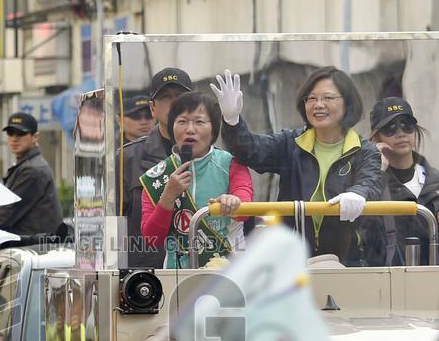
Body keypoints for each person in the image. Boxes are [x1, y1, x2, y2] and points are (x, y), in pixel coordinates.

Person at [213, 67, 383, 262]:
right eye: (311, 98)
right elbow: (250, 150)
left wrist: (358, 193)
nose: (318, 105)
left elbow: (370, 182)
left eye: (328, 98)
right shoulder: (291, 143)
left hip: (347, 259)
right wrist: (232, 120)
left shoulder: (364, 151)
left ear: (347, 103)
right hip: (292, 259)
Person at [140, 91, 254, 268]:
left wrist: (233, 202)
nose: (190, 129)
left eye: (199, 122)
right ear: (171, 128)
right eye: (182, 122)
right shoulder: (156, 176)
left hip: (229, 271)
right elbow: (151, 239)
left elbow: (245, 208)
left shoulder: (231, 164)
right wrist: (168, 197)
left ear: (214, 129)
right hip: (177, 277)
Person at [363, 97, 439, 265]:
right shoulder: (368, 184)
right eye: (390, 128)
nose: (401, 133)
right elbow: (367, 242)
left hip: (431, 282)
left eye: (407, 125)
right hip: (385, 281)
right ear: (376, 138)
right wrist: (377, 172)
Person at [118, 68, 193, 269]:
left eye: (181, 96)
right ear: (153, 108)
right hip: (145, 278)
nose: (175, 103)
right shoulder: (127, 158)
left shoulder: (212, 157)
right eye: (166, 98)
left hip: (200, 270)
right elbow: (112, 226)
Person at [0, 113, 63, 237]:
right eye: (10, 133)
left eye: (20, 133)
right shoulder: (26, 165)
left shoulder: (32, 170)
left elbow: (7, 212)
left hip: (33, 249)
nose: (14, 139)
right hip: (30, 246)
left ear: (35, 137)